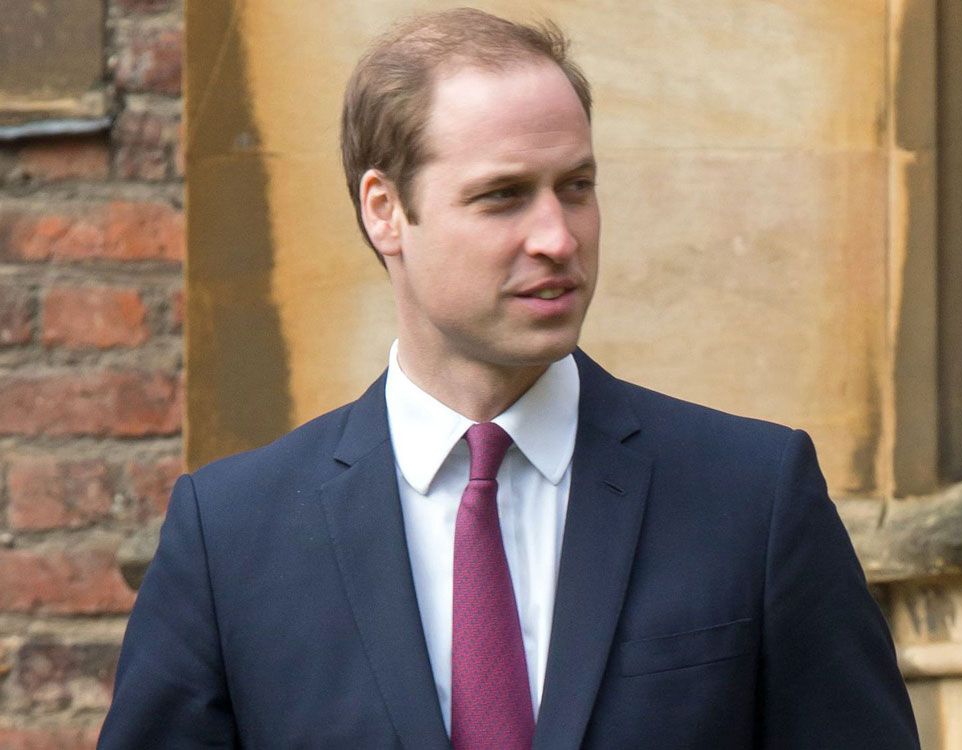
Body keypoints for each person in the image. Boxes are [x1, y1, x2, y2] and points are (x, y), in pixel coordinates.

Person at [99, 8, 920, 749]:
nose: (558, 238)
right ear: (385, 210)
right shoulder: (232, 537)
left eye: (577, 187)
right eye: (503, 196)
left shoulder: (752, 497)